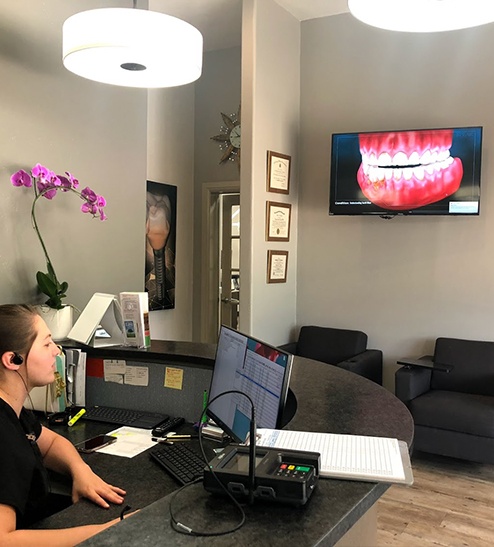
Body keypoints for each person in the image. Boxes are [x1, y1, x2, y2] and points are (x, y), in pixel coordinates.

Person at [0, 304, 129, 546]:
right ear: (13, 360)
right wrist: (107, 531)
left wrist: (81, 471)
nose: (57, 352)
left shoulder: (12, 411)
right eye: (47, 344)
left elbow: (50, 444)